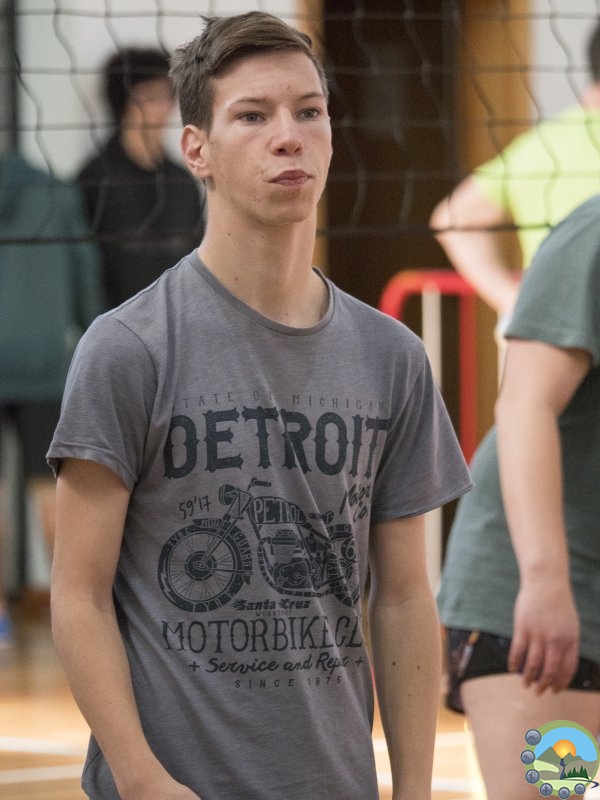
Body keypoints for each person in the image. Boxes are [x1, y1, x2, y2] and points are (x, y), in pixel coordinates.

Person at [48, 12, 472, 800]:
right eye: (252, 116)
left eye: (309, 111)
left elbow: (406, 595)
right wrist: (141, 779)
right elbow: (78, 593)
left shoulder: (393, 358)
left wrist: (413, 789)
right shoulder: (128, 348)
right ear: (196, 150)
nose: (289, 137)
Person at [437, 193, 600, 800]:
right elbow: (527, 404)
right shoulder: (592, 236)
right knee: (558, 792)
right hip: (549, 605)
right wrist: (545, 581)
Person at [429, 19, 600, 321]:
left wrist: (513, 302)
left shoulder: (543, 144)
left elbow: (453, 217)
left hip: (546, 325)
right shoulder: (547, 144)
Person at [0, 150, 104, 643]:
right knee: (50, 491)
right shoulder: (53, 189)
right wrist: (97, 342)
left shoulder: (56, 189)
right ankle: (72, 617)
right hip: (44, 363)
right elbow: (85, 269)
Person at [76, 47, 205, 309]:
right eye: (150, 97)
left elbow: (199, 261)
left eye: (167, 96)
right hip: (116, 322)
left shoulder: (182, 180)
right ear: (123, 101)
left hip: (179, 320)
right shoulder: (95, 178)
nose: (162, 107)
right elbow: (82, 271)